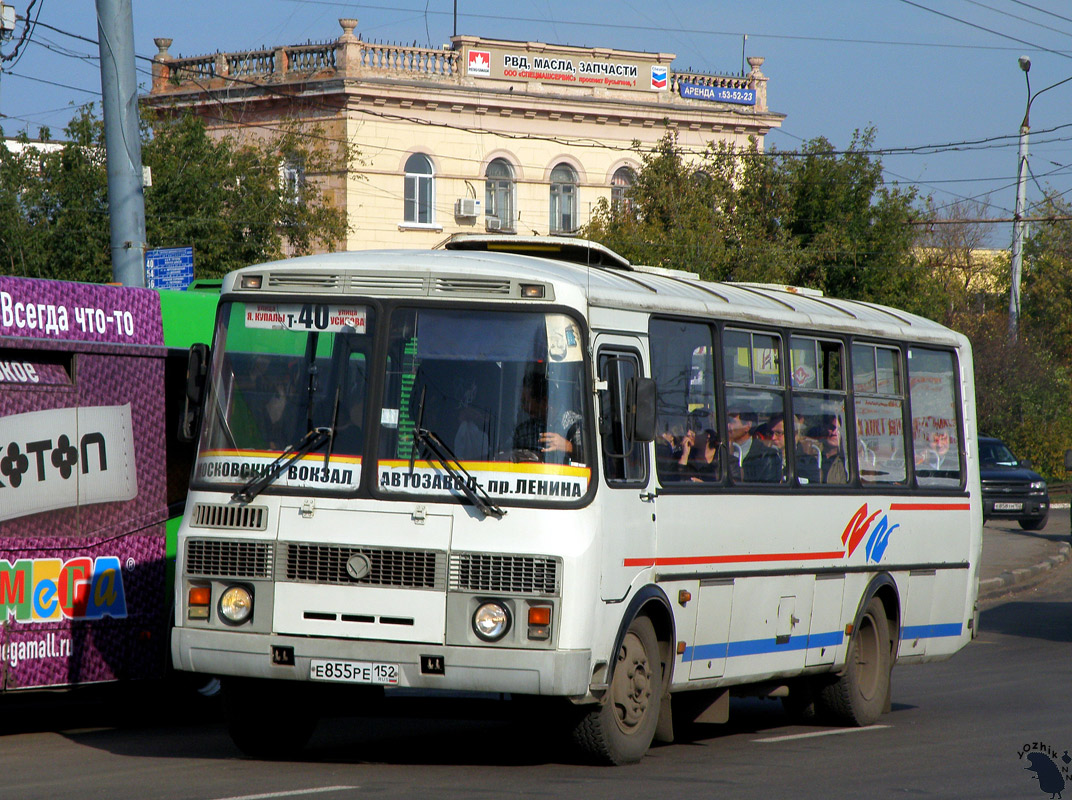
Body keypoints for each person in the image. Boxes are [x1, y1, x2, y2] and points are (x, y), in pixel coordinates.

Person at [512, 368, 583, 463]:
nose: (523, 407)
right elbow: (506, 453)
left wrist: (568, 447)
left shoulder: (575, 424)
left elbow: (591, 460)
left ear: (544, 401)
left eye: (526, 402)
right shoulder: (523, 430)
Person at [726, 406, 780, 483]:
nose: (727, 426)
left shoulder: (766, 457)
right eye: (726, 421)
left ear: (748, 425)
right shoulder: (720, 450)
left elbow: (768, 491)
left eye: (732, 422)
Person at [799, 414, 848, 484]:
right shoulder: (810, 451)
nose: (834, 433)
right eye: (832, 428)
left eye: (839, 429)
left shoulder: (846, 460)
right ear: (824, 428)